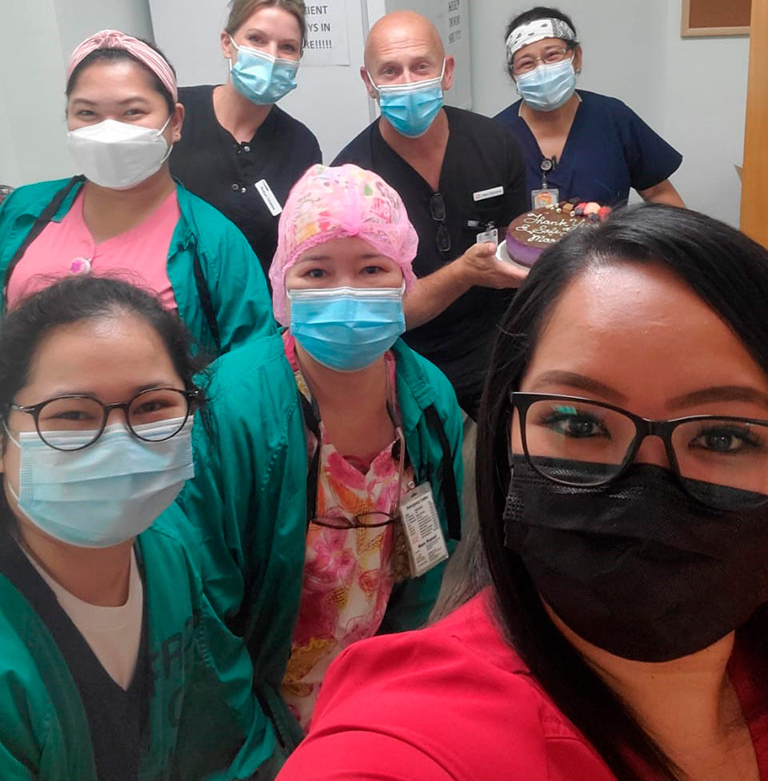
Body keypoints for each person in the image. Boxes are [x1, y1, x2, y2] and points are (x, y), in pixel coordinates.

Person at [278, 203, 768, 781]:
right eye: (579, 424)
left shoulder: (422, 393)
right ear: (503, 432)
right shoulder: (408, 743)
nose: (643, 485)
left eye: (724, 437)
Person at [177, 163, 463, 739]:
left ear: (405, 279)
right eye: (317, 270)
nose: (347, 292)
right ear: (282, 285)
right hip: (253, 708)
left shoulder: (429, 401)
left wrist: (382, 695)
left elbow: (427, 557)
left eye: (372, 268)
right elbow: (203, 610)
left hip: (367, 697)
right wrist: (259, 747)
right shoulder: (228, 410)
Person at [0, 275, 281, 780]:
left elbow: (221, 726)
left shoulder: (170, 555)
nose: (119, 443)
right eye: (71, 414)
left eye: (152, 406)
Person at [0, 29, 275, 355]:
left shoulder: (214, 245)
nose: (108, 130)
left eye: (132, 112)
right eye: (87, 113)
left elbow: (252, 371)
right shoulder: (23, 211)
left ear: (175, 122)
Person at [333, 10, 528, 418]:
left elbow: (518, 247)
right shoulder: (350, 181)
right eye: (390, 71)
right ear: (369, 83)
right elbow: (377, 315)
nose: (407, 83)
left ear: (446, 72)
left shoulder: (494, 143)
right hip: (405, 365)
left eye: (421, 66)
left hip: (499, 351)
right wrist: (465, 272)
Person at [170, 0, 322, 276]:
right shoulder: (175, 114)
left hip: (260, 315)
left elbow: (301, 248)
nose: (271, 56)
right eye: (257, 39)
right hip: (174, 308)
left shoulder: (300, 145)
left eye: (287, 47)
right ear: (228, 43)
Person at [494, 6, 684, 209]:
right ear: (514, 75)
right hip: (519, 242)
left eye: (552, 55)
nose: (542, 70)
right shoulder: (495, 137)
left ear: (576, 57)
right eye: (527, 63)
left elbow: (660, 194)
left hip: (605, 240)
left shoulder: (613, 118)